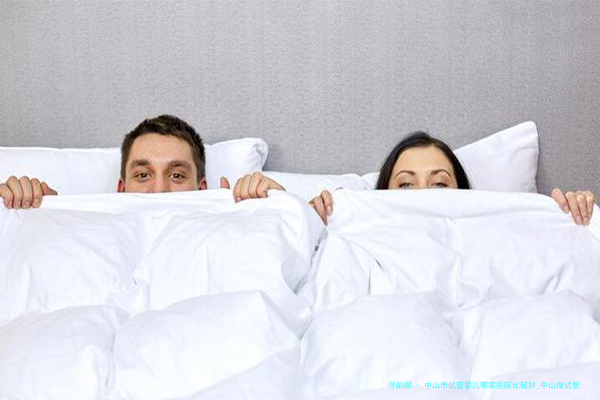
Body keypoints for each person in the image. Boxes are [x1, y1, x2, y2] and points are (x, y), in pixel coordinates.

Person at [310, 131, 596, 226]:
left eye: (439, 183)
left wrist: (573, 216)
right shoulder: (357, 232)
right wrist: (312, 221)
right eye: (406, 184)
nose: (424, 195)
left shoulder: (496, 229)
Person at [0, 115, 283, 208]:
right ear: (121, 188)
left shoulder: (230, 225)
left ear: (202, 188)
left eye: (176, 175)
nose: (159, 191)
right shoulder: (87, 232)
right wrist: (41, 217)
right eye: (144, 175)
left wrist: (278, 207)